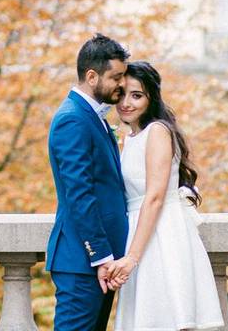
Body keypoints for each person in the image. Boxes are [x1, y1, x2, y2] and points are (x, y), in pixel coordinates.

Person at [107, 61, 224, 331]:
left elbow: (155, 197)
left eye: (136, 95)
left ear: (151, 97)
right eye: (122, 94)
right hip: (141, 230)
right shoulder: (132, 137)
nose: (126, 102)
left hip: (161, 234)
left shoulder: (157, 131)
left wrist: (131, 258)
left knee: (164, 317)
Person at [47, 34, 131, 331]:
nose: (122, 85)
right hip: (83, 264)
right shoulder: (73, 119)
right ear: (92, 76)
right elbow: (79, 194)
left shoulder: (92, 117)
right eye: (116, 77)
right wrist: (102, 257)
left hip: (97, 265)